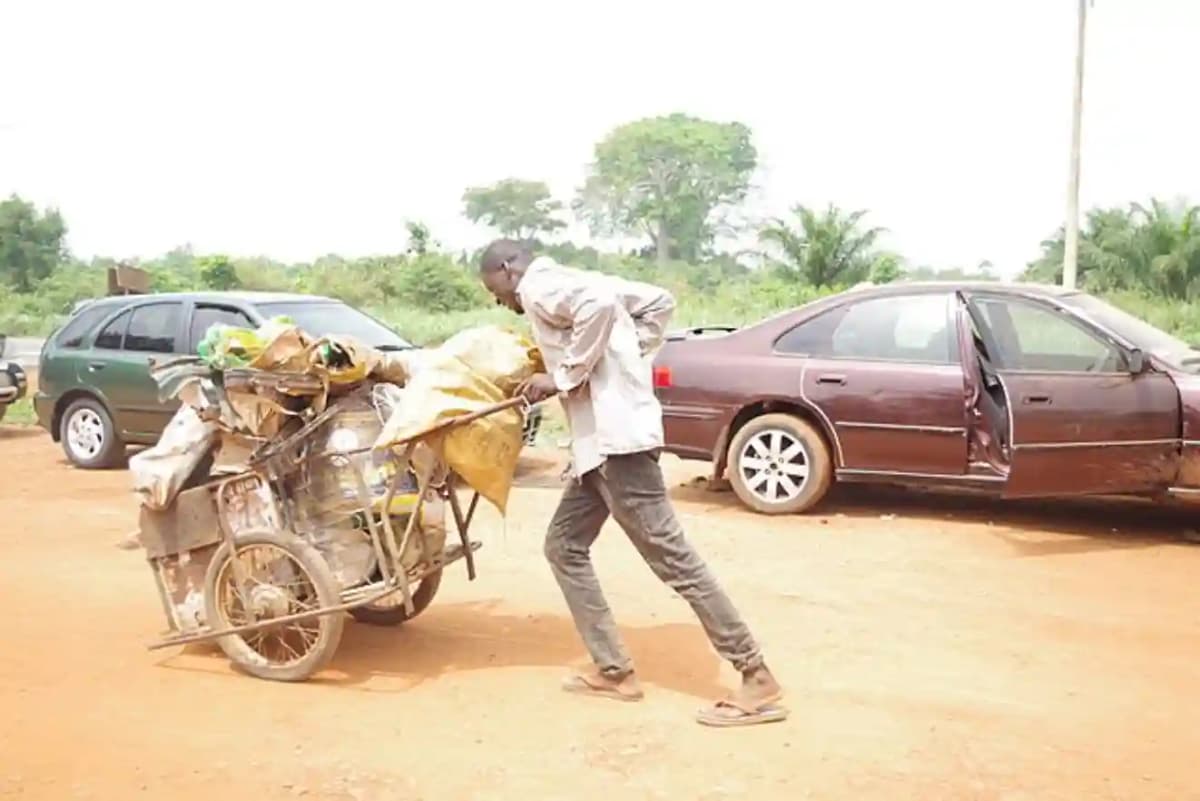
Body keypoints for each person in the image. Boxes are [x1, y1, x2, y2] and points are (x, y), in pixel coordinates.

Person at [478, 239, 786, 727]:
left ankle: (755, 675)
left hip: (618, 448)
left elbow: (599, 310)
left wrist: (563, 377)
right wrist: (620, 361)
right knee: (564, 546)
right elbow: (659, 302)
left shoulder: (541, 287)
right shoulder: (586, 280)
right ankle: (615, 670)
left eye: (495, 290)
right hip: (599, 449)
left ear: (507, 269)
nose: (502, 303)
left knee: (675, 561)